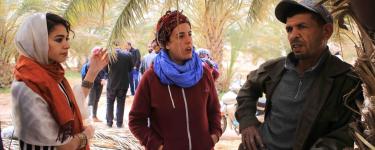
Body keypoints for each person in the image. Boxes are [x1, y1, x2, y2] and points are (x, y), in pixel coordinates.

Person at [235, 0, 363, 149]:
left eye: (302, 27)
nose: (293, 35)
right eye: (289, 29)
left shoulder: (346, 79)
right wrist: (247, 122)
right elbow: (248, 90)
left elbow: (344, 133)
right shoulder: (274, 68)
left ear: (326, 31)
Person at [11, 13, 108, 149]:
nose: (67, 45)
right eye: (59, 39)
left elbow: (70, 103)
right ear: (37, 41)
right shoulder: (25, 87)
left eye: (67, 39)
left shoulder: (51, 74)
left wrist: (93, 71)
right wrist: (86, 135)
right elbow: (62, 146)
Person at [128, 10, 222, 150]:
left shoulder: (203, 74)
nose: (188, 40)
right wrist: (158, 146)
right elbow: (136, 121)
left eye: (189, 34)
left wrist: (213, 137)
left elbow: (214, 110)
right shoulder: (151, 78)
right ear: (166, 44)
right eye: (180, 36)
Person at [105, 42, 133, 128]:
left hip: (112, 83)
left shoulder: (109, 55)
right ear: (120, 45)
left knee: (110, 102)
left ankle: (109, 122)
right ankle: (119, 123)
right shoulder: (128, 54)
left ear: (113, 45)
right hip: (123, 83)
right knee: (121, 103)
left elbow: (105, 69)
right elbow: (130, 68)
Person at [81, 47, 107, 122]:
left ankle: (94, 116)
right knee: (91, 101)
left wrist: (104, 79)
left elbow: (105, 72)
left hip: (100, 85)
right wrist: (100, 80)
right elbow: (92, 76)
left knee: (96, 100)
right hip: (92, 85)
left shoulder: (102, 63)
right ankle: (88, 117)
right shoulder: (90, 64)